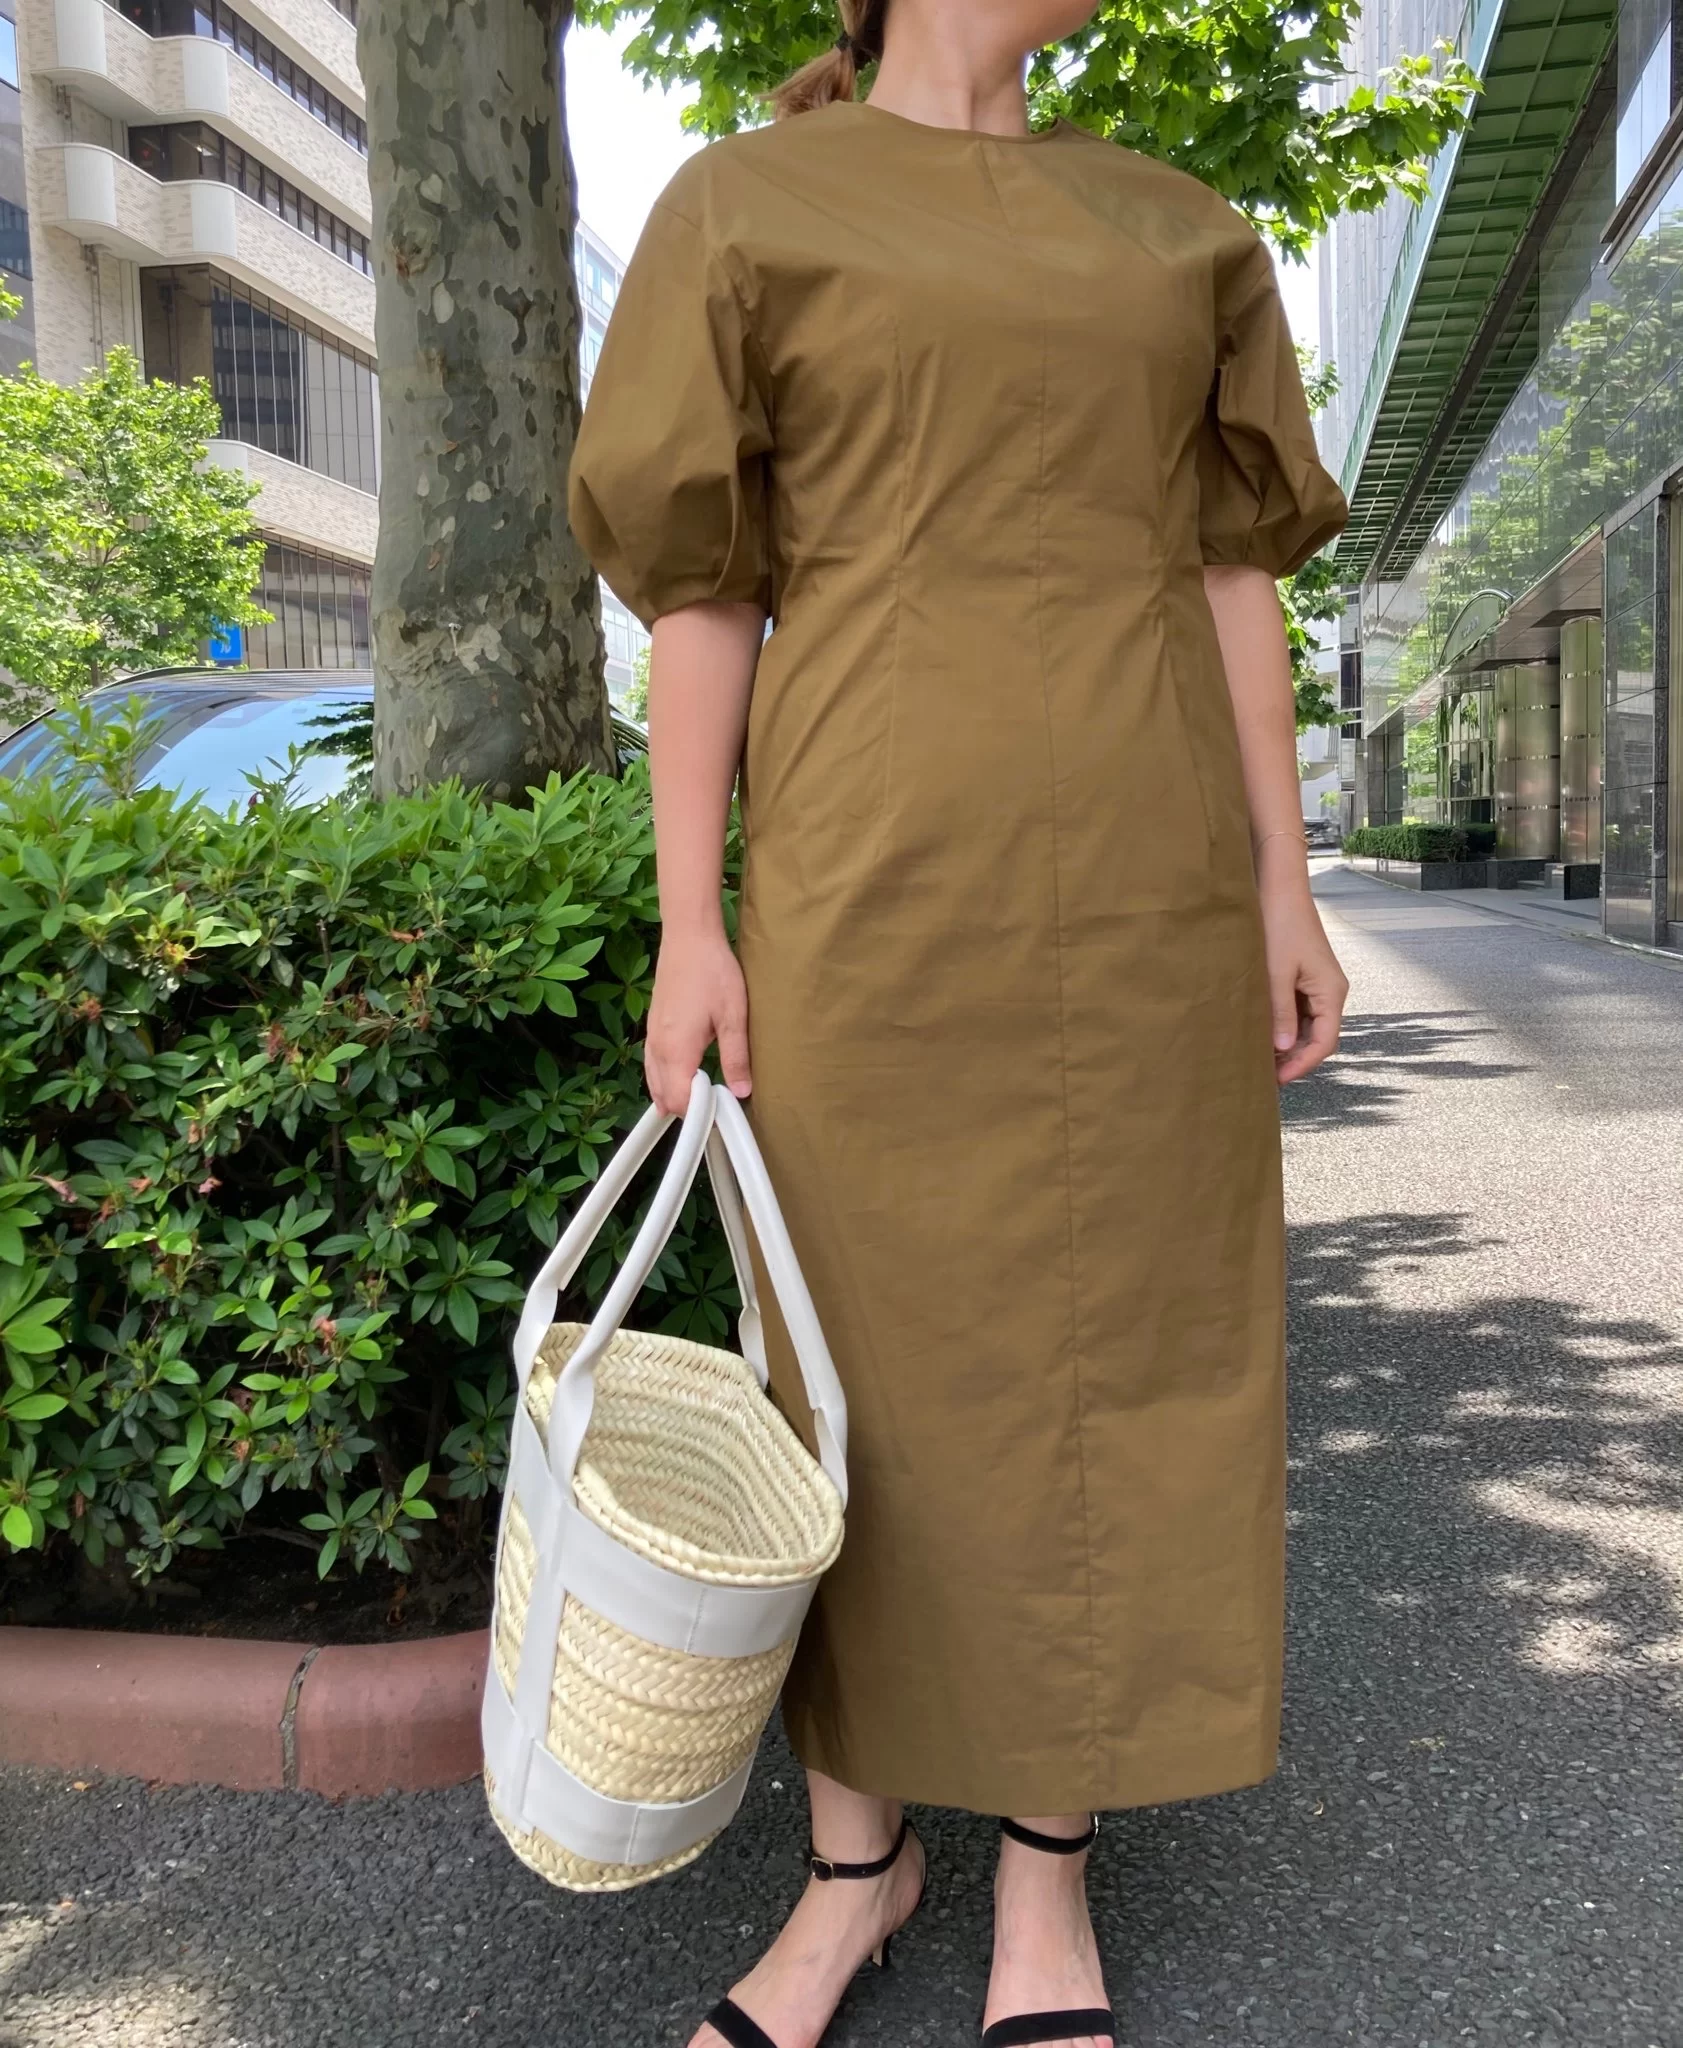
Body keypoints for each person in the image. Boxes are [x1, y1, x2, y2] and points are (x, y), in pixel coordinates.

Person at [568, 1, 1350, 2041]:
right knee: (853, 1375)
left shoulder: (1177, 227)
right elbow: (704, 589)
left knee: (1111, 1364)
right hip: (862, 897)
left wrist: (1283, 884)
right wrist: (688, 920)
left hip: (1146, 902)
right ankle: (854, 1870)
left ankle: (1044, 1890)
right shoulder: (746, 208)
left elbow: (1234, 579)